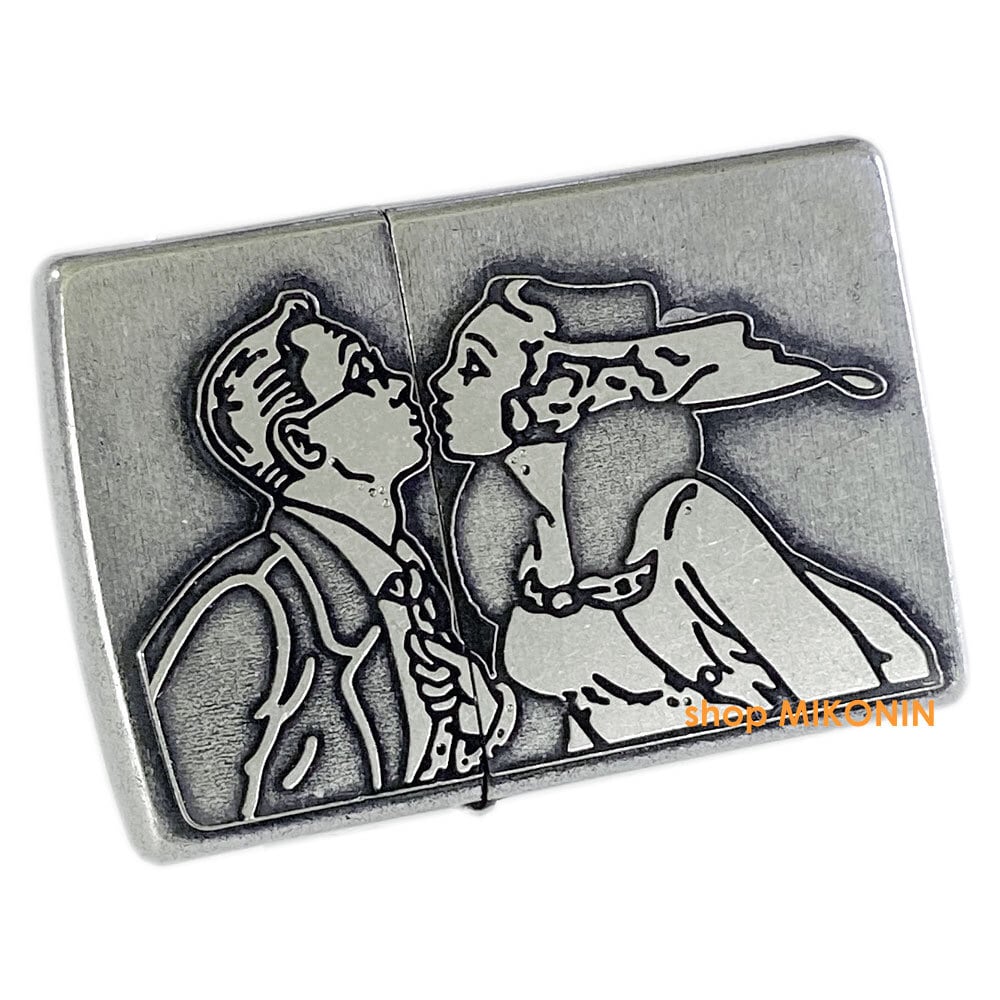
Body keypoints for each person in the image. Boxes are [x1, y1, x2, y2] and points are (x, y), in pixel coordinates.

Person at [430, 275, 938, 752]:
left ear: (556, 394)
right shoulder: (528, 556)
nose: (439, 381)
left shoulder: (683, 518)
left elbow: (840, 683)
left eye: (473, 367)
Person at [139, 289, 513, 830]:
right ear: (302, 444)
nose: (400, 382)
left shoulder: (407, 570)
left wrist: (481, 714)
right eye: (363, 378)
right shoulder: (251, 603)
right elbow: (202, 809)